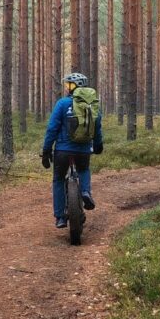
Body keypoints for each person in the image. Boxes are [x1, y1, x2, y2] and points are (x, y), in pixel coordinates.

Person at [41, 72, 104, 228]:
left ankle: (60, 217)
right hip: (83, 150)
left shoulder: (62, 104)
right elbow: (97, 127)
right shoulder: (91, 105)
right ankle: (85, 192)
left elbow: (52, 129)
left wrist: (46, 150)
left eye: (69, 84)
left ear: (74, 86)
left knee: (58, 179)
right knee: (83, 170)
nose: (67, 87)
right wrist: (97, 145)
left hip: (63, 150)